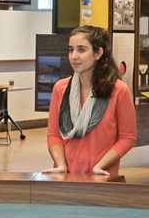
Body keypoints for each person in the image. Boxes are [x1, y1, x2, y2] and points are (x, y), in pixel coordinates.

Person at [47, 25, 136, 176]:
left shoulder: (119, 90)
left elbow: (127, 138)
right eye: (71, 50)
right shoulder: (60, 89)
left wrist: (100, 166)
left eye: (81, 50)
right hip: (66, 178)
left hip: (100, 178)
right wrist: (61, 165)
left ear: (98, 53)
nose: (74, 56)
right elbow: (54, 135)